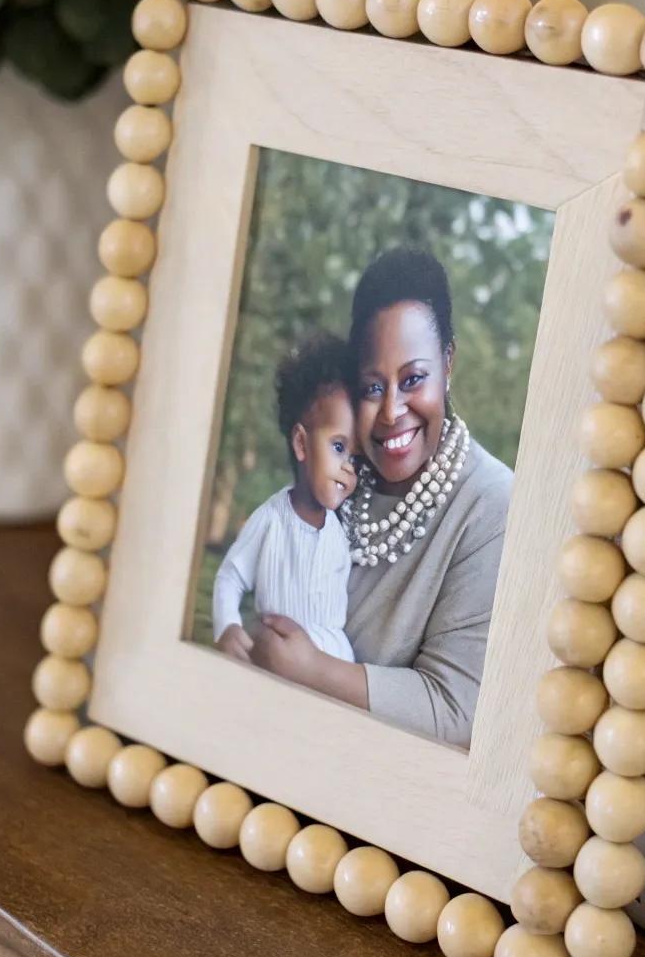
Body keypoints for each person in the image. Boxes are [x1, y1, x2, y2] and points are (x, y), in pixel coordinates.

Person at [251, 248, 513, 747]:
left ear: (449, 363)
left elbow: (457, 710)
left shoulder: (491, 505)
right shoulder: (340, 476)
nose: (392, 411)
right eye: (373, 387)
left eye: (413, 379)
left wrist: (313, 670)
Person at [213, 334, 358, 663]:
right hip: (275, 655)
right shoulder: (272, 519)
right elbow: (229, 578)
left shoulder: (343, 532)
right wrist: (228, 626)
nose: (349, 467)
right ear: (302, 444)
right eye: (339, 447)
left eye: (356, 457)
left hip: (333, 661)